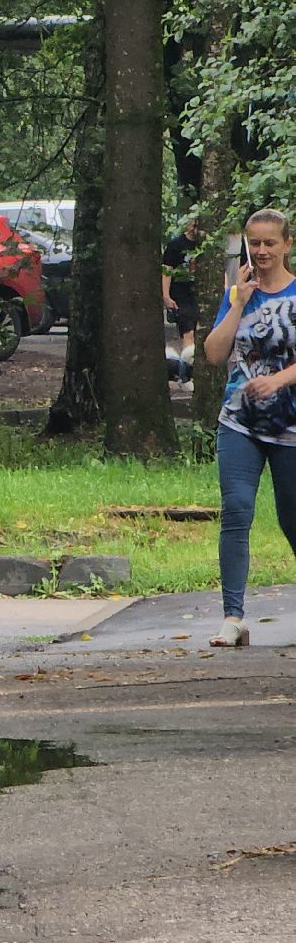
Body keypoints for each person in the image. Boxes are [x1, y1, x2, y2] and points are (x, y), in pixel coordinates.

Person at [202, 208, 296, 649]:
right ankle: (232, 618)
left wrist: (279, 379)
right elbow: (214, 355)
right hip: (238, 423)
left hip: (291, 428)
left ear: (286, 245)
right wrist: (237, 301)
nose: (260, 252)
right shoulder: (239, 292)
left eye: (269, 243)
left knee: (291, 519)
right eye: (254, 243)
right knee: (236, 512)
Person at [164, 221, 205, 384]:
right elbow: (166, 270)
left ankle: (196, 373)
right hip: (180, 293)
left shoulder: (207, 245)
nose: (194, 227)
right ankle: (187, 374)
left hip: (199, 292)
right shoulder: (175, 245)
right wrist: (166, 295)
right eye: (192, 224)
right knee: (187, 333)